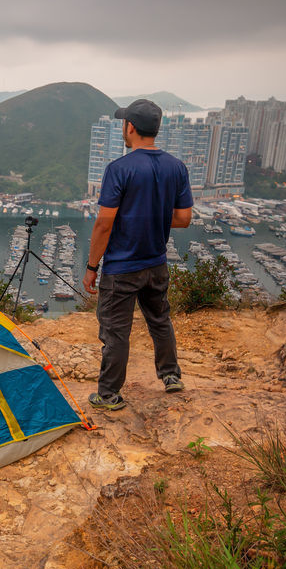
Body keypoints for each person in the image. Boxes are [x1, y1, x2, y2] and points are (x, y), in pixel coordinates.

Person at [82, 99, 193, 410]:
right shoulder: (176, 167)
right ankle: (171, 375)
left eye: (124, 123)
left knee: (116, 333)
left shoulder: (119, 169)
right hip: (156, 263)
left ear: (129, 127)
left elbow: (104, 224)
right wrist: (153, 215)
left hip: (121, 269)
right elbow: (183, 219)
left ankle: (108, 396)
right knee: (160, 320)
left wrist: (92, 266)